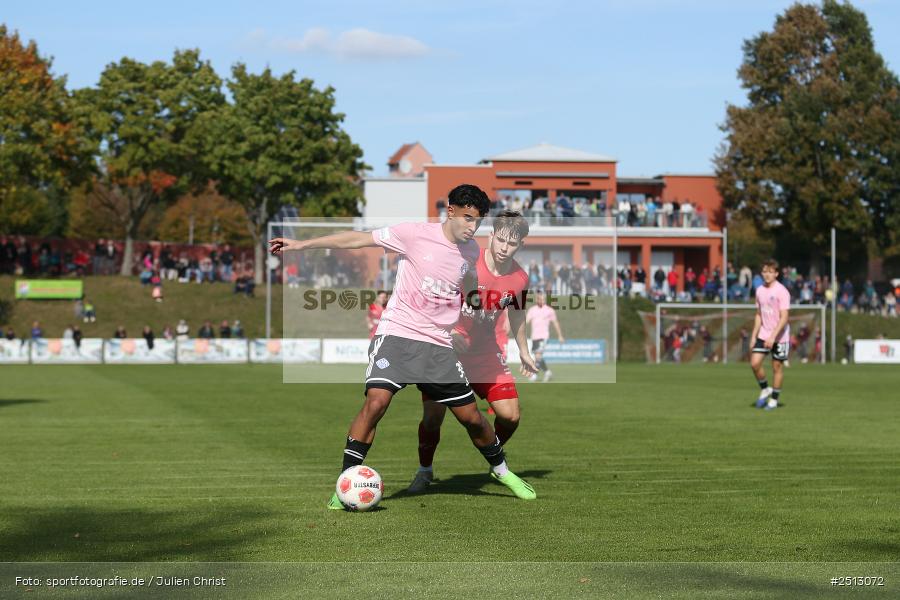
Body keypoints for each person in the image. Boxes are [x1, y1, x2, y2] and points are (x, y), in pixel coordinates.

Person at [269, 184, 536, 510]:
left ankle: (501, 470)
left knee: (473, 419)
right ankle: (345, 484)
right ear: (450, 211)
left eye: (478, 221)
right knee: (376, 402)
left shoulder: (470, 252)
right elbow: (357, 238)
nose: (472, 227)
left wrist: (475, 302)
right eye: (467, 218)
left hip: (438, 346)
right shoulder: (413, 233)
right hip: (397, 335)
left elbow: (467, 281)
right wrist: (301, 245)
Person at [410, 210, 538, 493]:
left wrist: (524, 351)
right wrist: (450, 330)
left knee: (510, 416)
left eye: (512, 243)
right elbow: (433, 293)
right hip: (444, 351)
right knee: (432, 418)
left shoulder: (520, 278)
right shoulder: (465, 258)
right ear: (491, 236)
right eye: (500, 240)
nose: (505, 248)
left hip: (484, 354)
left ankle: (494, 458)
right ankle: (425, 471)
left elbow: (517, 315)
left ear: (521, 245)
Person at [750, 259, 791, 410]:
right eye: (765, 271)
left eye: (770, 272)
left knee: (777, 367)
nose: (767, 275)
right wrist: (754, 335)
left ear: (776, 274)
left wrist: (773, 336)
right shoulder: (759, 290)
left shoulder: (782, 291)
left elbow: (784, 317)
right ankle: (765, 389)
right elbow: (758, 314)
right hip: (763, 333)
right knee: (754, 363)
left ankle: (773, 400)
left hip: (780, 336)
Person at [525, 290, 565, 382]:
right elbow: (527, 321)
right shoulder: (532, 310)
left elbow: (555, 323)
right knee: (537, 357)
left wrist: (560, 335)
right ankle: (547, 372)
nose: (542, 301)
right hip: (534, 336)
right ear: (537, 300)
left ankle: (534, 375)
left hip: (544, 336)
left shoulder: (549, 310)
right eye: (540, 299)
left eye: (543, 299)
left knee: (538, 355)